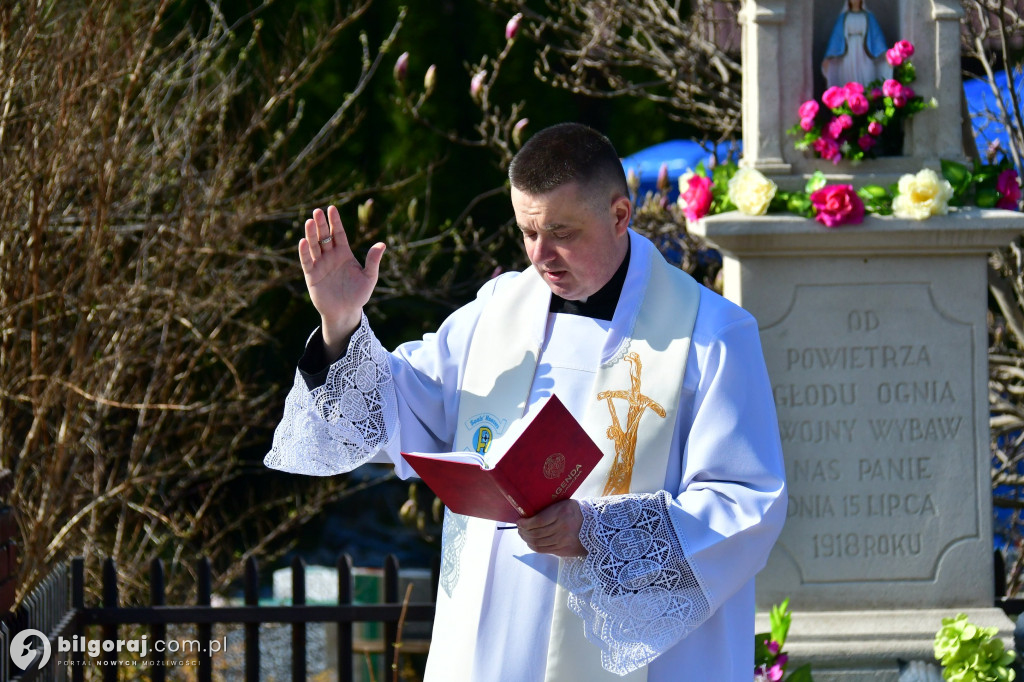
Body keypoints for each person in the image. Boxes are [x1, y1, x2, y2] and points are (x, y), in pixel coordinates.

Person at [265, 122, 787, 681]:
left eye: (562, 231)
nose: (542, 256)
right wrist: (341, 324)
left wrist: (594, 531)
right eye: (528, 232)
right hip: (492, 650)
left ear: (619, 215)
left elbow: (746, 503)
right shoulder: (496, 312)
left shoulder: (711, 335)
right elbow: (397, 411)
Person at [821, 0, 890, 88]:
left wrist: (885, 54)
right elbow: (836, 38)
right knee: (848, 77)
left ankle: (868, 98)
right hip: (849, 54)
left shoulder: (868, 17)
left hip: (865, 53)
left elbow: (877, 37)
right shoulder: (844, 17)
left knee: (868, 74)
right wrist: (829, 56)